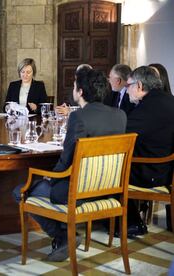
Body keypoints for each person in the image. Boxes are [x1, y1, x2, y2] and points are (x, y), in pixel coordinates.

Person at [12, 68, 127, 262]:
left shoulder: (78, 117)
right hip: (107, 190)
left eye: (74, 86)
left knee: (20, 191)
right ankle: (66, 235)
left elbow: (66, 160)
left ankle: (63, 236)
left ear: (80, 92)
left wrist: (50, 176)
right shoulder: (120, 115)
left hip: (78, 192)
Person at [125, 66, 174, 235]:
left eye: (128, 85)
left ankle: (130, 222)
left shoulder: (149, 107)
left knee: (110, 171)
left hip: (152, 172)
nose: (126, 90)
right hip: (167, 169)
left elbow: (122, 133)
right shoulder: (168, 100)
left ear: (139, 86)